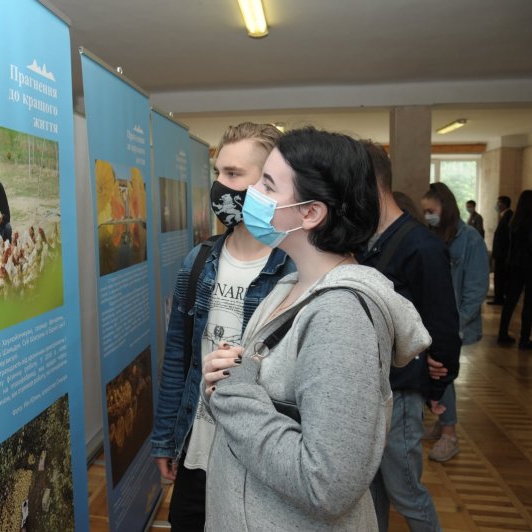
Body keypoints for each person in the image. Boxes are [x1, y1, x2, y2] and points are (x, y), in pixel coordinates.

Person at [201, 127, 432, 530]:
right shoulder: (289, 288)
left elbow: (326, 485)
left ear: (311, 213)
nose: (251, 196)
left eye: (268, 186)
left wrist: (233, 392)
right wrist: (232, 371)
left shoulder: (340, 317)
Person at [150, 122, 294, 531]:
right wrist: (165, 437)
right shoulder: (198, 260)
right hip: (197, 450)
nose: (219, 186)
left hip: (258, 459)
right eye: (218, 173)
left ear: (269, 184)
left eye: (233, 175)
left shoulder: (295, 269)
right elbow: (177, 355)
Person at [360, 142, 460, 531]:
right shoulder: (369, 239)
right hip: (373, 389)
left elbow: (443, 327)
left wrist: (437, 384)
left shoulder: (422, 245)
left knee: (405, 492)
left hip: (400, 392)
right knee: (371, 494)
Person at [421, 182, 489, 462]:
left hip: (453, 323)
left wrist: (455, 326)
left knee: (442, 372)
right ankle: (442, 422)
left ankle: (450, 435)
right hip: (432, 320)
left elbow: (475, 288)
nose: (427, 216)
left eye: (431, 210)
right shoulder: (429, 236)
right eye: (424, 211)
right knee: (436, 372)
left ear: (445, 208)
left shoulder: (470, 239)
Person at [497, 190, 532, 350]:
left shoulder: (514, 220)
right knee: (529, 303)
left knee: (510, 301)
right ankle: (525, 339)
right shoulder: (531, 221)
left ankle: (502, 333)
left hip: (515, 265)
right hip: (530, 266)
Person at [489, 195, 513, 305]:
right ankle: (498, 297)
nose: (496, 205)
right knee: (499, 277)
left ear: (503, 204)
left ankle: (500, 298)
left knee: (501, 277)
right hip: (500, 254)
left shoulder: (509, 216)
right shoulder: (504, 216)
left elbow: (507, 237)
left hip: (503, 255)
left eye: (498, 203)